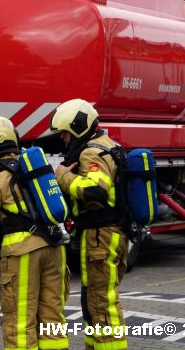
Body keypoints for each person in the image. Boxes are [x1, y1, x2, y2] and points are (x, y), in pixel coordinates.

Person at [0, 115, 69, 350]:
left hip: (21, 252)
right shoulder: (33, 164)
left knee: (19, 322)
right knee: (52, 320)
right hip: (53, 246)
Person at [50, 99, 128, 350]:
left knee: (101, 303)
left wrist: (64, 177)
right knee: (93, 302)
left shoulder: (91, 152)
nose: (63, 138)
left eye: (65, 133)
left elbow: (96, 189)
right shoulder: (107, 144)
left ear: (77, 127)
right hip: (104, 234)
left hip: (101, 235)